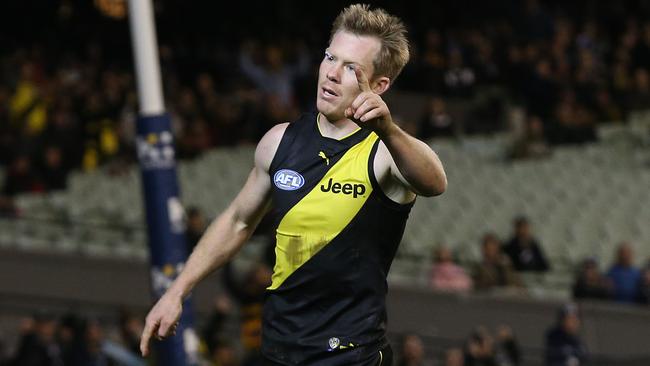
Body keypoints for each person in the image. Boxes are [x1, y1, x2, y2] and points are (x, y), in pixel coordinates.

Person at [140, 4, 447, 366]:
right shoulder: (279, 141)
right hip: (278, 349)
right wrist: (177, 291)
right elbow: (238, 220)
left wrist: (390, 129)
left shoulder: (384, 151)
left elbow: (434, 182)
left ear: (379, 85)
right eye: (330, 57)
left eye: (350, 68)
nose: (331, 74)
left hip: (351, 355)